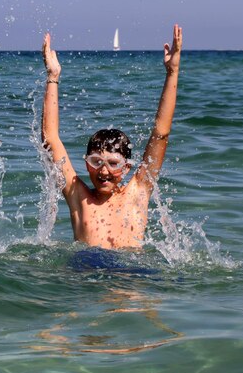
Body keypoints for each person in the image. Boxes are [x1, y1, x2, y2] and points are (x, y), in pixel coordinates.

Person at [41, 24, 182, 250]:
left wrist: (172, 72)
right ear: (86, 164)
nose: (104, 171)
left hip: (130, 274)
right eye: (96, 162)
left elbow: (161, 134)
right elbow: (50, 139)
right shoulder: (78, 196)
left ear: (126, 167)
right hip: (87, 271)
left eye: (113, 163)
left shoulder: (138, 192)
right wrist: (52, 77)